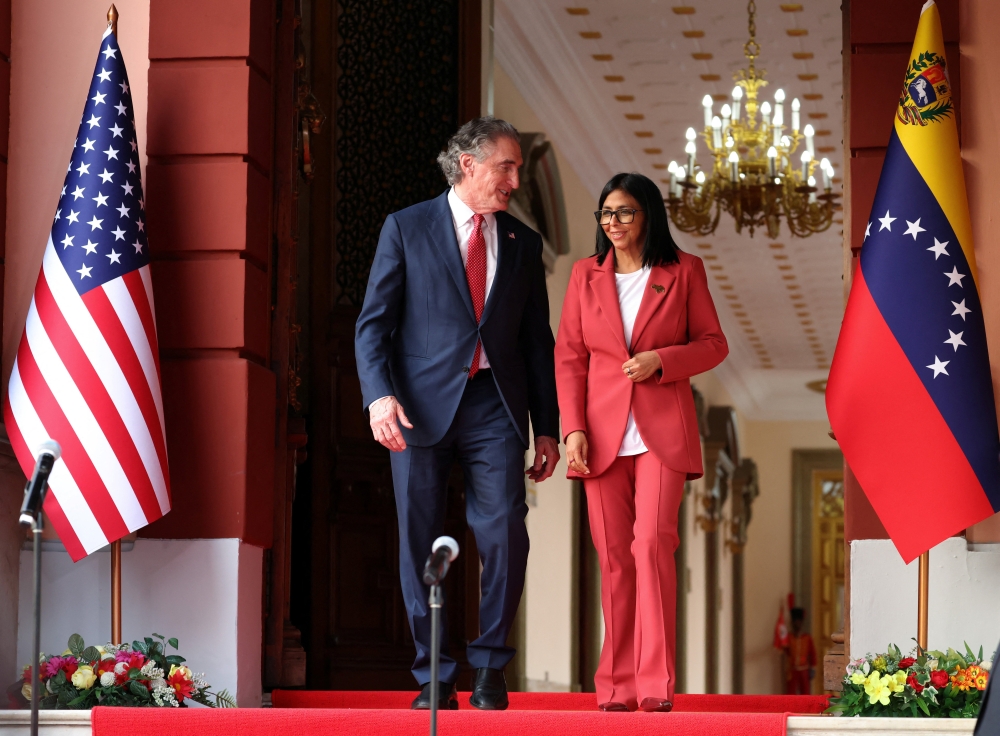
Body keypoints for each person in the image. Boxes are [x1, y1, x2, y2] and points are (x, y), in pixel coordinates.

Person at [355, 116, 560, 712]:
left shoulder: (522, 243)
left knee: (504, 533)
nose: (515, 180)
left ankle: (491, 668)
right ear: (468, 164)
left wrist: (545, 425)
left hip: (494, 405)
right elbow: (374, 326)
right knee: (420, 539)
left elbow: (535, 343)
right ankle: (433, 675)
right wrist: (378, 396)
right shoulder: (406, 227)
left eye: (518, 168)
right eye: (507, 166)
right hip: (416, 409)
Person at [554, 172, 728, 712]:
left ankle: (655, 684)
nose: (614, 223)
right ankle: (616, 686)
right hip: (600, 435)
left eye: (625, 212)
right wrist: (571, 429)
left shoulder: (683, 271)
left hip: (661, 432)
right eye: (607, 214)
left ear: (648, 215)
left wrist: (662, 361)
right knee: (612, 558)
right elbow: (569, 358)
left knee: (651, 544)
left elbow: (713, 344)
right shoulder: (584, 276)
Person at [784, 607, 816, 695]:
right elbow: (785, 651)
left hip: (804, 669)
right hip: (793, 670)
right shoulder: (789, 637)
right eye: (795, 621)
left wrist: (813, 667)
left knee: (805, 692)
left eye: (799, 621)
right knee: (791, 693)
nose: (797, 624)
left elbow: (812, 653)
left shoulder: (807, 638)